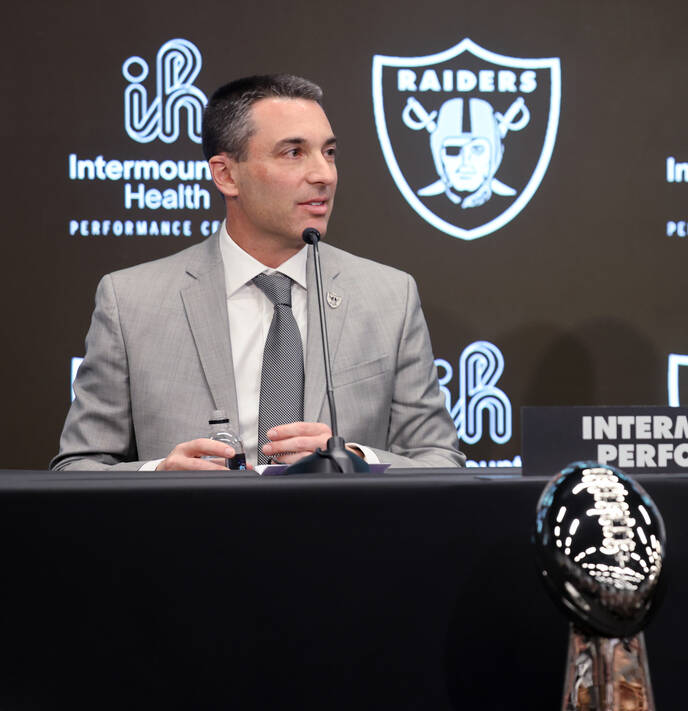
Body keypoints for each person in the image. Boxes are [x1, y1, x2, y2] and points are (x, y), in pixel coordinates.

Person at [52, 74, 464, 471]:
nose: (324, 174)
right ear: (226, 174)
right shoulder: (130, 302)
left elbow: (441, 461)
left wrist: (355, 459)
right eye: (294, 153)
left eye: (329, 152)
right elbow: (77, 467)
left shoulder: (390, 297)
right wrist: (158, 474)